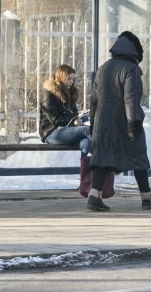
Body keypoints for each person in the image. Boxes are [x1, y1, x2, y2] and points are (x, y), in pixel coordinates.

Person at [86, 31, 151, 212]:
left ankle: (94, 196)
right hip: (124, 119)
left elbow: (94, 99)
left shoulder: (103, 68)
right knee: (138, 156)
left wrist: (93, 123)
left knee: (102, 156)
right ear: (134, 50)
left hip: (102, 121)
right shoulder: (131, 69)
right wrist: (133, 123)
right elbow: (131, 98)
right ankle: (147, 198)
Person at [38, 64, 105, 198]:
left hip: (66, 130)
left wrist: (77, 119)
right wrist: (73, 121)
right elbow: (54, 118)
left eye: (73, 79)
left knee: (87, 143)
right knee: (87, 130)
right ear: (61, 77)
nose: (71, 82)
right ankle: (106, 159)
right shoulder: (48, 93)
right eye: (69, 79)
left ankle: (85, 184)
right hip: (51, 132)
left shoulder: (70, 92)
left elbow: (73, 114)